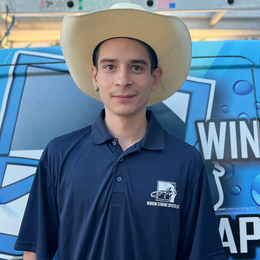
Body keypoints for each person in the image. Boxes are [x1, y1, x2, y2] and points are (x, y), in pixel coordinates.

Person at [14, 3, 226, 260]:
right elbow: (34, 252)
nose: (122, 79)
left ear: (154, 77)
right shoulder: (59, 155)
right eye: (110, 67)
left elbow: (203, 255)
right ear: (95, 77)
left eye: (136, 67)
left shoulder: (185, 162)